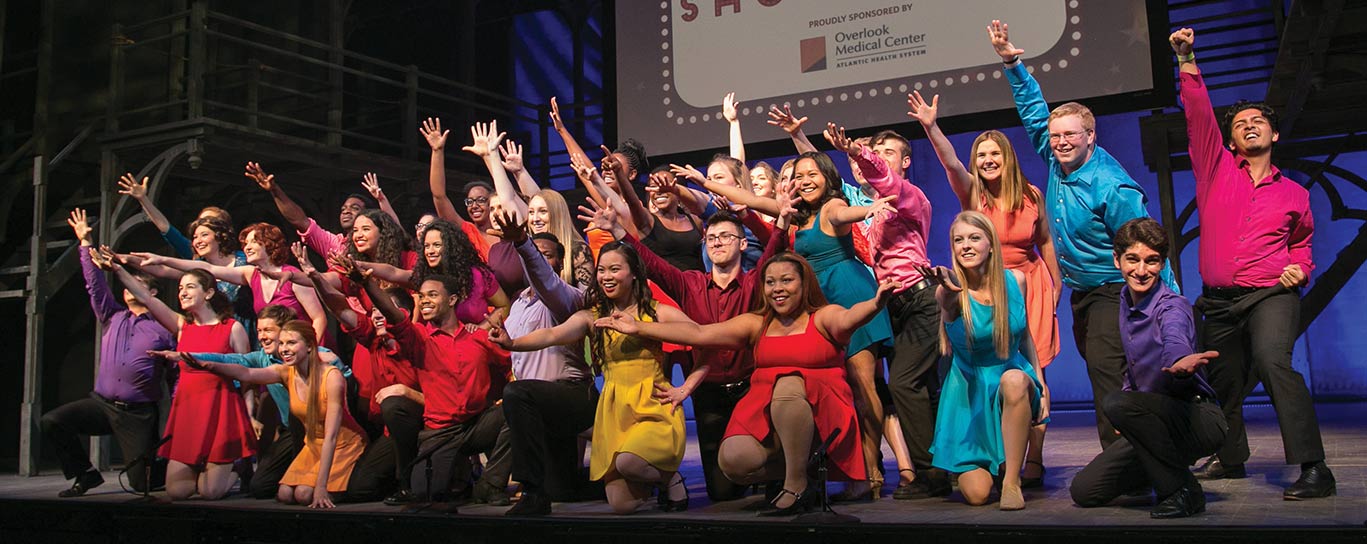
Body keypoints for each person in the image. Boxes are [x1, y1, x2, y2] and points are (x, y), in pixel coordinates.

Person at [595, 251, 899, 516]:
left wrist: (875, 303)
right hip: (768, 413)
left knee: (789, 383)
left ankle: (796, 485)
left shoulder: (822, 317)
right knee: (733, 461)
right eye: (770, 282)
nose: (778, 289)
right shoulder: (757, 323)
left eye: (787, 281)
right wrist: (640, 327)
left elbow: (849, 318)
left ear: (804, 283)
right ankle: (805, 469)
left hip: (821, 413)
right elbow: (700, 334)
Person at [989, 19, 1172, 447]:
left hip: (1116, 291)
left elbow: (1148, 247)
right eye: (1056, 136)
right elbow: (1035, 114)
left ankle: (1122, 459)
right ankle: (1137, 452)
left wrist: (1168, 306)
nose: (1060, 142)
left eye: (1070, 134)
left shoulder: (1112, 187)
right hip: (1085, 293)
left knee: (1107, 371)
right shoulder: (1056, 159)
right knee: (1105, 369)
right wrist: (1013, 64)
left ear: (1091, 136)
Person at [675, 150, 897, 499]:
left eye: (813, 174)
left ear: (827, 178)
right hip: (817, 298)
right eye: (800, 175)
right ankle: (833, 468)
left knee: (862, 384)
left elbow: (846, 214)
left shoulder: (832, 206)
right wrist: (705, 183)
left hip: (848, 293)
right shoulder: (794, 213)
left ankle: (870, 470)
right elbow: (749, 198)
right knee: (831, 386)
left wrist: (868, 210)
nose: (805, 181)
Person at [1170, 28, 1334, 498]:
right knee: (1222, 378)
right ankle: (1231, 457)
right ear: (1231, 139)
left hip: (1271, 295)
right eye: (1240, 123)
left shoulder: (1295, 193)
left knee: (1272, 361)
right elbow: (1199, 116)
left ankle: (1315, 468)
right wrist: (1186, 61)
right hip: (1220, 301)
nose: (1248, 125)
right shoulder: (1215, 168)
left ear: (1274, 133)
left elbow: (1301, 245)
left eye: (1257, 120)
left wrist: (1302, 268)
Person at [584, 187, 784, 502]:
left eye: (726, 236)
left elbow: (774, 254)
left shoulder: (754, 282)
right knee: (722, 493)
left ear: (743, 244)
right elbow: (651, 263)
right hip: (708, 392)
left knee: (762, 465)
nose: (717, 242)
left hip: (750, 387)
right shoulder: (689, 283)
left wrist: (781, 221)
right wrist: (618, 231)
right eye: (711, 238)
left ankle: (782, 470)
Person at [907, 91, 1062, 488]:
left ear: (1007, 157)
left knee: (1032, 368)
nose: (988, 160)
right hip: (980, 284)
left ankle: (1032, 460)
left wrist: (1056, 281)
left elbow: (1045, 240)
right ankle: (989, 451)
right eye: (981, 155)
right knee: (987, 363)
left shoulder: (1031, 195)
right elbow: (951, 162)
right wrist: (931, 127)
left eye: (994, 154)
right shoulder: (972, 192)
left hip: (1028, 282)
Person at [488, 240, 697, 515]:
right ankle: (650, 479)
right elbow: (552, 334)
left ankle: (671, 478)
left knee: (628, 464)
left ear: (634, 273)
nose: (606, 277)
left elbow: (703, 339)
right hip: (615, 410)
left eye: (615, 269)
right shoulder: (593, 317)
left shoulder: (657, 312)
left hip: (652, 406)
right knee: (622, 505)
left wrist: (685, 388)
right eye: (601, 270)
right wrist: (512, 343)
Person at [1070, 218, 1227, 518]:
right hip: (1155, 424)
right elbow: (1134, 365)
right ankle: (1162, 470)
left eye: (1151, 261)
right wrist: (1130, 405)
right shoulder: (1124, 300)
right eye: (1133, 259)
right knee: (1085, 490)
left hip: (1196, 420)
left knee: (1116, 403)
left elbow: (1175, 337)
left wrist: (1179, 361)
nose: (1141, 271)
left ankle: (1184, 491)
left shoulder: (1172, 305)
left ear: (1162, 264)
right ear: (1116, 260)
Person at [40, 209, 176, 498]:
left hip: (138, 413)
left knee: (141, 484)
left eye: (139, 284)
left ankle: (174, 468)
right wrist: (85, 242)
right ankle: (85, 474)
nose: (129, 289)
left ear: (152, 293)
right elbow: (95, 285)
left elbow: (174, 375)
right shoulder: (112, 316)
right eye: (128, 285)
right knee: (53, 421)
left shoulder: (164, 328)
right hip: (102, 405)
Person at [920, 211, 1047, 511]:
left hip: (1010, 382)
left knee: (1014, 380)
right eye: (958, 240)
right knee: (976, 495)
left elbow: (1025, 338)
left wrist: (1041, 384)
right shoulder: (948, 293)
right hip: (970, 395)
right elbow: (949, 302)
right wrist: (948, 289)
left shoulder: (1016, 280)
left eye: (974, 238)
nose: (966, 245)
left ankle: (1012, 481)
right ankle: (994, 460)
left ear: (990, 245)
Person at [358, 270, 514, 507]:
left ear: (452, 300)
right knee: (426, 495)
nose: (424, 301)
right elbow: (393, 314)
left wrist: (506, 393)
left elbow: (509, 366)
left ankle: (490, 484)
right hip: (440, 431)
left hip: (476, 425)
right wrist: (366, 283)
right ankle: (457, 476)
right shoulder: (419, 337)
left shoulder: (478, 337)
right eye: (421, 296)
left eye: (432, 295)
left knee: (516, 407)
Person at [177, 321, 373, 508]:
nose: (284, 349)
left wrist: (321, 487)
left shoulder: (332, 377)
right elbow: (246, 373)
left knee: (304, 494)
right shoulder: (286, 372)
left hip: (342, 445)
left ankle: (340, 485)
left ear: (309, 346)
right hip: (314, 444)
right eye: (282, 343)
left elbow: (331, 436)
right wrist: (210, 366)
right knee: (286, 494)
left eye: (291, 343)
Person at [110, 257, 254, 501]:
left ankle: (238, 466)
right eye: (180, 288)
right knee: (178, 492)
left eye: (190, 287)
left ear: (208, 293)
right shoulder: (181, 326)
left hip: (221, 410)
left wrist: (249, 413)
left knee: (210, 493)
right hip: (189, 411)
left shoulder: (232, 328)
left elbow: (247, 374)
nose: (182, 293)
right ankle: (208, 470)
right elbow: (147, 299)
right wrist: (117, 269)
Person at [485, 210, 599, 516]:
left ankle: (531, 492)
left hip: (571, 396)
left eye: (547, 255)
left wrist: (523, 243)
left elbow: (544, 279)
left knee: (517, 393)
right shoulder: (518, 304)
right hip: (537, 407)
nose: (539, 260)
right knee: (563, 490)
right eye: (536, 254)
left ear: (560, 263)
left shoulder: (566, 298)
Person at [298, 242, 424, 506]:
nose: (377, 315)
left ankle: (409, 483)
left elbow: (392, 314)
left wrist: (366, 283)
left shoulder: (412, 337)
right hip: (389, 429)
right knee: (361, 489)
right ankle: (398, 478)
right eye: (374, 311)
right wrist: (316, 278)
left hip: (421, 422)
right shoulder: (373, 339)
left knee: (394, 403)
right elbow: (341, 310)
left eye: (383, 310)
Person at [131, 222, 329, 345]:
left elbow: (319, 318)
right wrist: (163, 259)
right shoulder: (251, 274)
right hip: (276, 351)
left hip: (307, 349)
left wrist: (312, 350)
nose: (247, 247)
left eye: (253, 242)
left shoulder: (293, 276)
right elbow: (208, 269)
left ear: (269, 244)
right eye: (245, 243)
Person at [244, 161, 370, 262]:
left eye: (355, 208)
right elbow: (300, 220)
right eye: (343, 209)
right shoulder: (334, 244)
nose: (346, 212)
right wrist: (274, 190)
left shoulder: (377, 243)